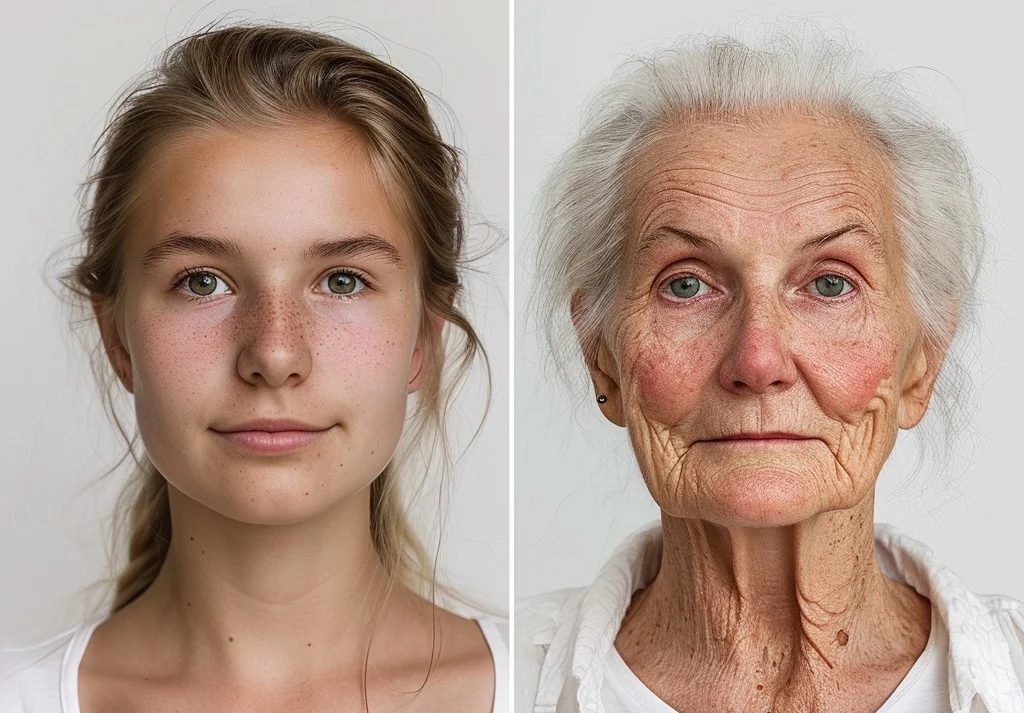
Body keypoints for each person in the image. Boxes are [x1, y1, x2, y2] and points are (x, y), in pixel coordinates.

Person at [0, 23, 507, 713]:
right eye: (203, 281)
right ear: (116, 336)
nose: (273, 354)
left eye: (343, 280)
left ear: (424, 335)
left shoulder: (557, 691)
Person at [516, 28, 1024, 713]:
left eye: (830, 285)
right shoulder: (484, 685)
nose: (757, 360)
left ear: (921, 361)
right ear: (601, 355)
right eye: (687, 285)